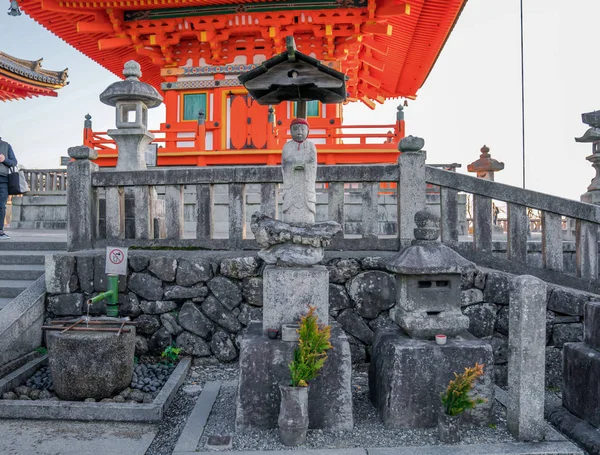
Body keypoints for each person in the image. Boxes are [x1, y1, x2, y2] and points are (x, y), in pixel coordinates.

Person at [281, 118, 317, 224]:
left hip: (306, 185)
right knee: (290, 208)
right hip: (292, 184)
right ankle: (290, 217)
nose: (299, 132)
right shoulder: (287, 146)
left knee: (307, 210)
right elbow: (285, 164)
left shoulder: (311, 146)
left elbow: (313, 164)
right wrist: (292, 166)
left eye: (302, 129)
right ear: (291, 131)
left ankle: (307, 216)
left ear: (308, 131)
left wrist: (306, 167)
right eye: (295, 129)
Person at [0, 137, 18, 239]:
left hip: (3, 180)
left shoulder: (6, 146)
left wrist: (4, 160)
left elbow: (14, 162)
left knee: (1, 206)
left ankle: (0, 231)